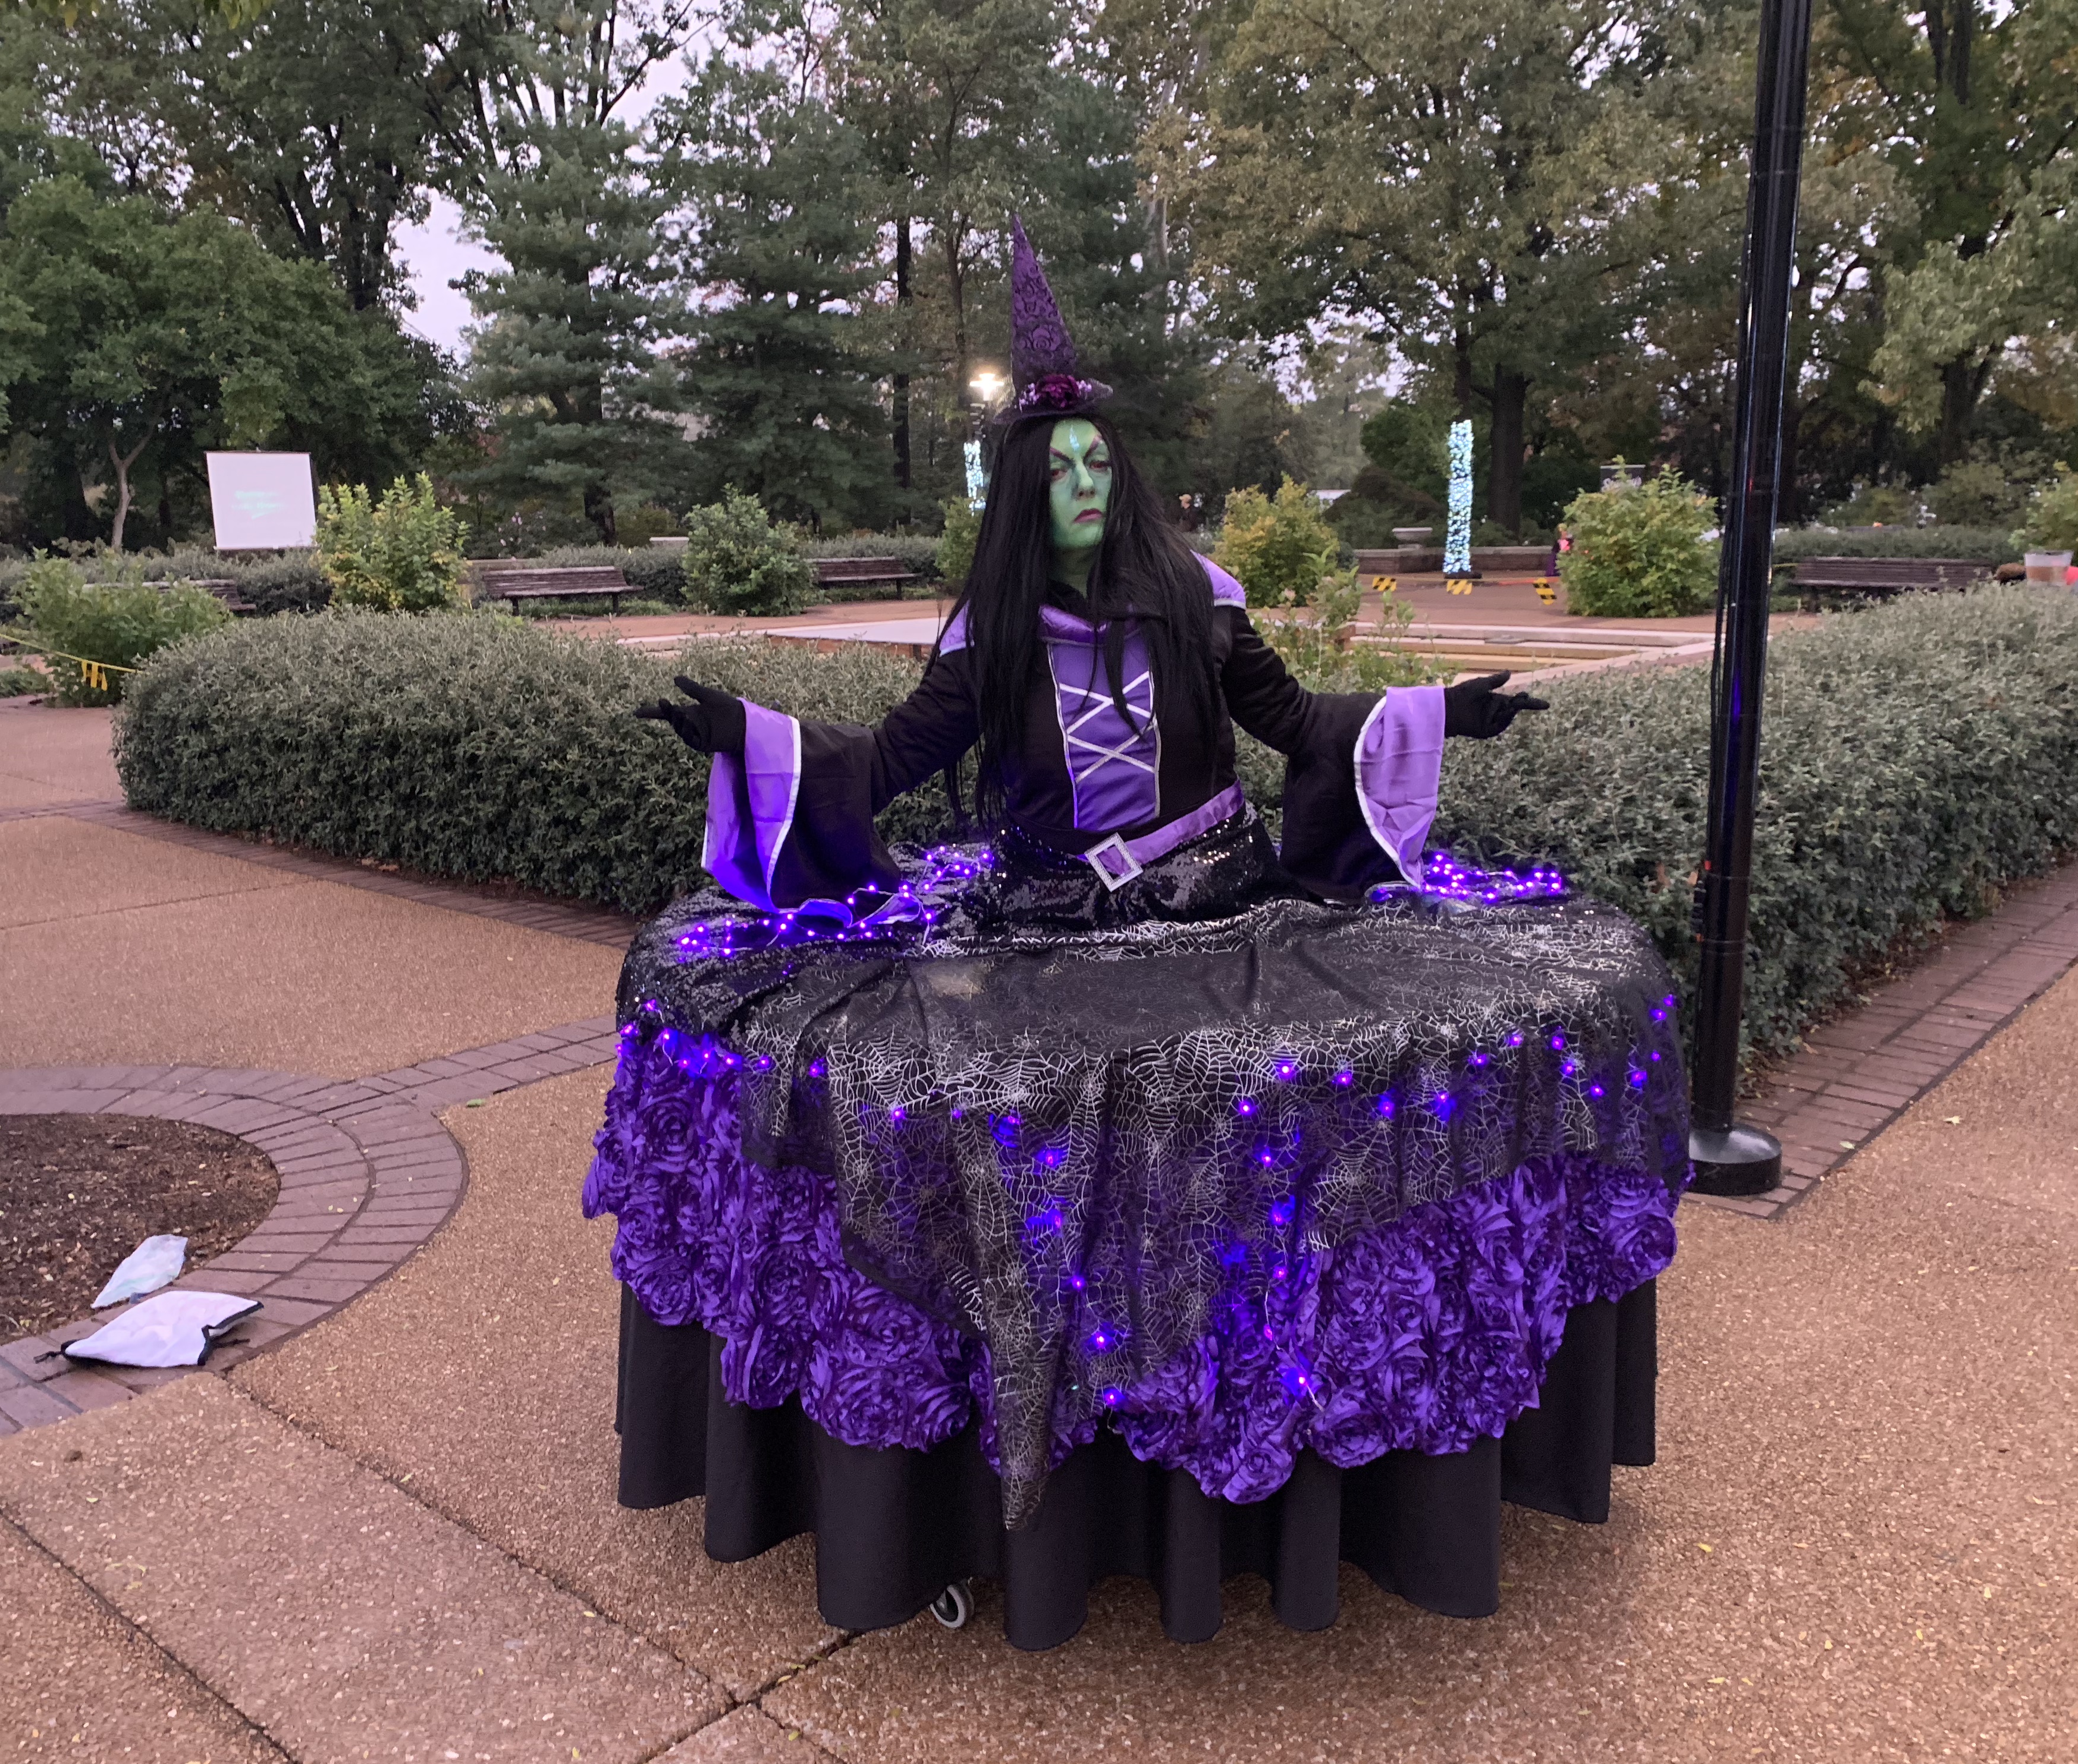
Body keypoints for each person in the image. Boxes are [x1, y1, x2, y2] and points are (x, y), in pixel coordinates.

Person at [592, 221, 1686, 1636]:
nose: (1090, 486)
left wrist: (1442, 713)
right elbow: (884, 767)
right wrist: (747, 736)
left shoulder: (1200, 606)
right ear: (1029, 496)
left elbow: (1298, 729)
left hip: (1224, 920)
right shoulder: (989, 637)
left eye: (1106, 464)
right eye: (1064, 472)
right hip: (1046, 934)